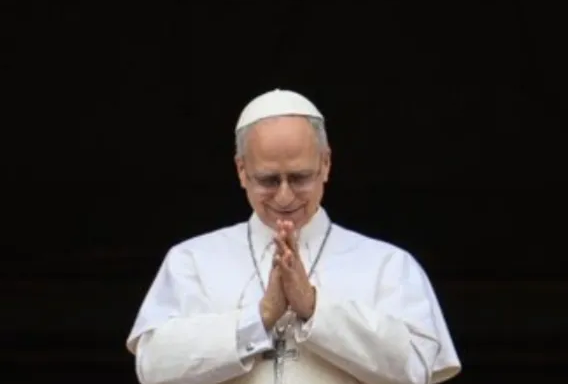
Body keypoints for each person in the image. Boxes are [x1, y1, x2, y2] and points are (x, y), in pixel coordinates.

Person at [126, 89, 461, 384]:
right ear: (242, 170)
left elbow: (417, 369)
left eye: (299, 178)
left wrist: (314, 308)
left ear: (325, 164)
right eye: (268, 180)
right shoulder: (191, 261)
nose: (285, 197)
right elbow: (154, 368)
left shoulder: (389, 265)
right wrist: (260, 317)